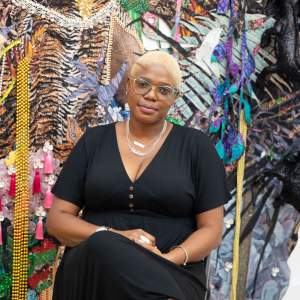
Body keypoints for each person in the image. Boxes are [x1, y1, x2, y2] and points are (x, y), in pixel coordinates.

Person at [46, 50, 231, 300]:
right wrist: (115, 237)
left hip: (171, 273)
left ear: (174, 97)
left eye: (164, 90)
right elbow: (57, 220)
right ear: (129, 86)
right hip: (93, 270)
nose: (151, 95)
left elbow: (212, 229)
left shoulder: (197, 147)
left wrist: (167, 259)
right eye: (143, 84)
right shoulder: (94, 141)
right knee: (103, 245)